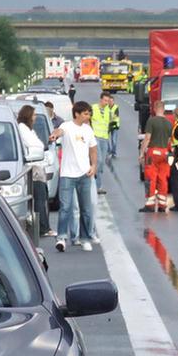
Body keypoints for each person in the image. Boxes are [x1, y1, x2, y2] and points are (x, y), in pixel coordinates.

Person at [48, 101, 98, 252]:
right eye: (85, 113)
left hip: (84, 174)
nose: (88, 116)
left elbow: (93, 150)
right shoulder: (67, 126)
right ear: (77, 114)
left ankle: (85, 238)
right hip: (68, 175)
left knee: (86, 209)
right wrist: (54, 135)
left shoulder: (88, 130)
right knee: (66, 207)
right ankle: (61, 238)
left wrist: (93, 166)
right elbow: (59, 132)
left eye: (89, 114)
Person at [17, 105, 55, 237]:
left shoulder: (28, 129)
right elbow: (36, 146)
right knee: (39, 198)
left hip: (38, 165)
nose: (35, 118)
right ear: (28, 116)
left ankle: (43, 226)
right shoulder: (23, 129)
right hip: (34, 168)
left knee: (41, 197)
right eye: (33, 115)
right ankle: (43, 228)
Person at [140, 100, 173, 212]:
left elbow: (147, 138)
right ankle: (162, 205)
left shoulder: (152, 121)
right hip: (165, 152)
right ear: (163, 109)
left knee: (151, 177)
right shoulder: (169, 123)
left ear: (154, 108)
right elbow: (169, 141)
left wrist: (141, 152)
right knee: (163, 178)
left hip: (153, 152)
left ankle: (150, 204)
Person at [90, 92, 112, 194]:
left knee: (102, 163)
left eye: (108, 101)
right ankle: (94, 184)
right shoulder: (93, 108)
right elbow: (87, 120)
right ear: (101, 99)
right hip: (96, 137)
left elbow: (108, 123)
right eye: (105, 100)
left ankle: (98, 185)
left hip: (105, 138)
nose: (106, 102)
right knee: (98, 161)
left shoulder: (108, 110)